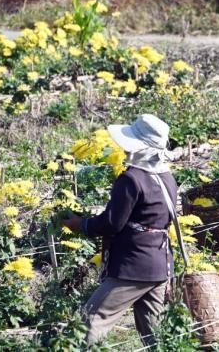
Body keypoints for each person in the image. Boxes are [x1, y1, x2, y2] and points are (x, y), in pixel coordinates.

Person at [62, 114, 177, 346]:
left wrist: (81, 224)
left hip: (133, 268)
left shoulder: (131, 179)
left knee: (90, 322)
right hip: (160, 265)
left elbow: (112, 223)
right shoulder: (166, 177)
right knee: (156, 335)